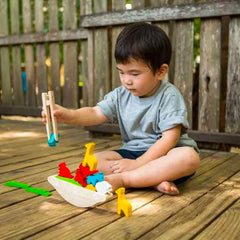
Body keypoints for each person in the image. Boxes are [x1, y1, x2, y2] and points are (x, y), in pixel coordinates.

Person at [42, 22, 200, 195]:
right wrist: (68, 115)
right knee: (91, 162)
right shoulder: (120, 94)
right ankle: (152, 180)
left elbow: (170, 138)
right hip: (131, 152)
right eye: (121, 72)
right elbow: (95, 113)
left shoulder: (168, 95)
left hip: (166, 155)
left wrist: (138, 163)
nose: (126, 80)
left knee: (188, 158)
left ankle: (127, 179)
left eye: (134, 73)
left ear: (161, 71)